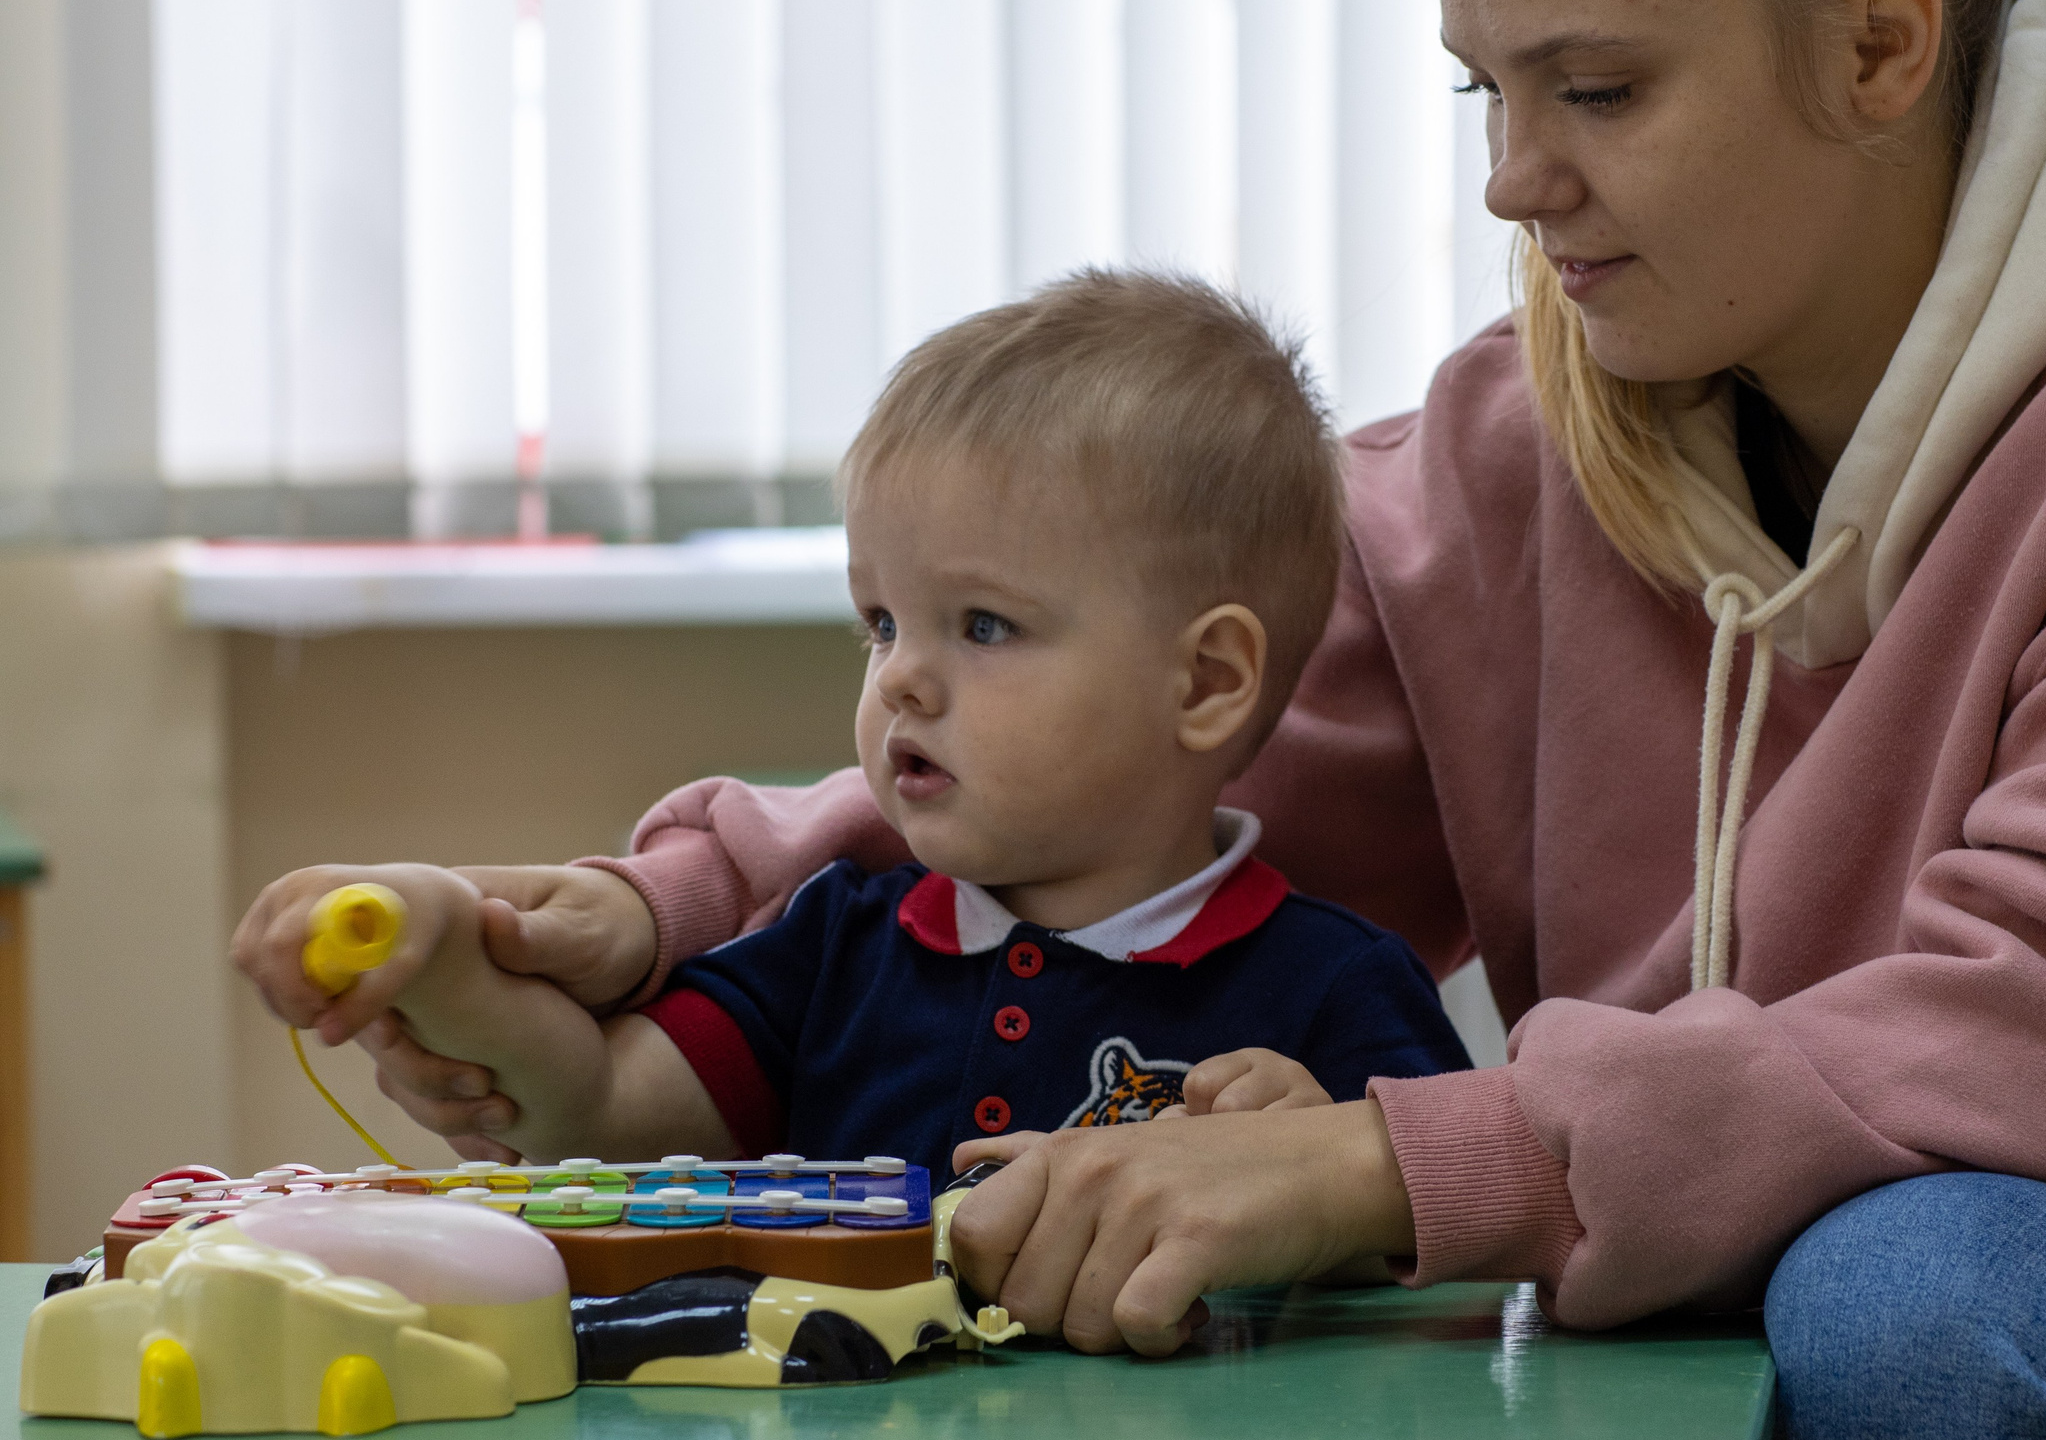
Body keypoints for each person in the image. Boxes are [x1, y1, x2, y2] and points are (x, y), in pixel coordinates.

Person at [248, 0, 2046, 1440]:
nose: (1508, 180)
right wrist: (650, 912)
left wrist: (1391, 1152)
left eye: (1592, 87)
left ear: (1876, 41)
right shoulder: (1551, 420)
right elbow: (1135, 750)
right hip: (1878, 1304)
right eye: (1479, 85)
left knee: (1912, 1290)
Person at [233, 271, 1470, 1177]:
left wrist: (1312, 1164)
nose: (903, 684)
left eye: (982, 627)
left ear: (1205, 683)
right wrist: (445, 954)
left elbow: (1454, 1282)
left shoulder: (1339, 990)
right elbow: (597, 1110)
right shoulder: (834, 941)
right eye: (880, 624)